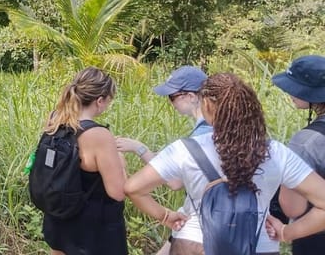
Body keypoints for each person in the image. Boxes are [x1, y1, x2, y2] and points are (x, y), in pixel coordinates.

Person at [125, 73, 325, 254]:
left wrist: (166, 216)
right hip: (259, 245)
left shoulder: (184, 149)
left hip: (194, 243)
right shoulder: (277, 152)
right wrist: (287, 232)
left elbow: (133, 188)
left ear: (208, 106)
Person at [116, 66, 209, 254]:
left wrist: (139, 148)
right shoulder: (221, 128)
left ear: (191, 96)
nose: (171, 102)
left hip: (199, 228)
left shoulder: (202, 136)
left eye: (173, 96)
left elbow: (175, 182)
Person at [35, 67, 127, 255]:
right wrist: (121, 160)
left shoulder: (55, 120)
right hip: (92, 231)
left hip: (58, 219)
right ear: (99, 101)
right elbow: (117, 192)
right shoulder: (98, 135)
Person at [273, 55, 325, 254]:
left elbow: (292, 208)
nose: (289, 93)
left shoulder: (305, 142)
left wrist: (286, 232)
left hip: (315, 241)